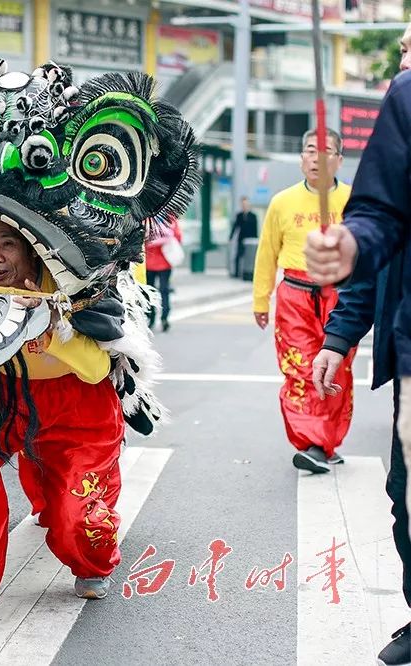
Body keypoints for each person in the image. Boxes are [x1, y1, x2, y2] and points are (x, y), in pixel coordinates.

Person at [0, 218, 125, 620]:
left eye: (7, 244)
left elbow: (98, 367)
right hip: (1, 398)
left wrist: (51, 326)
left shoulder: (72, 281)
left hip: (77, 404)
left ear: (33, 246)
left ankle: (92, 563)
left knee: (75, 520)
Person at [305, 40, 411, 665]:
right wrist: (340, 336)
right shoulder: (406, 100)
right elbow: (380, 220)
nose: (404, 51)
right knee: (407, 496)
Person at [252, 128, 353, 474]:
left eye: (326, 152)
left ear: (339, 160)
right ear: (301, 159)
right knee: (299, 368)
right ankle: (311, 442)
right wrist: (260, 300)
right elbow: (267, 253)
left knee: (337, 368)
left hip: (341, 296)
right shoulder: (282, 202)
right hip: (294, 294)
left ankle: (327, 440)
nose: (316, 158)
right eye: (310, 150)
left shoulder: (355, 202)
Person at [145, 216, 182, 332]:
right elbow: (178, 237)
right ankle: (165, 317)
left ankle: (151, 318)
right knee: (164, 290)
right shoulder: (170, 219)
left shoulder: (147, 218)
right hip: (165, 262)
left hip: (148, 261)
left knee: (149, 291)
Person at [230, 196, 259, 279]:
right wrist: (231, 237)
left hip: (250, 240)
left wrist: (255, 239)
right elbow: (235, 227)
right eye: (243, 204)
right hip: (241, 239)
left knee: (250, 257)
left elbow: (255, 228)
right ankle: (236, 273)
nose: (244, 206)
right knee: (238, 256)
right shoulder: (239, 215)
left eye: (246, 204)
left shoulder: (253, 216)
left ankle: (250, 273)